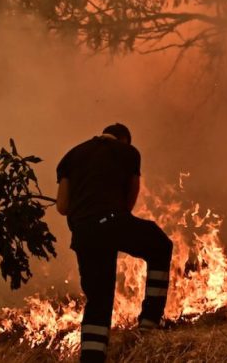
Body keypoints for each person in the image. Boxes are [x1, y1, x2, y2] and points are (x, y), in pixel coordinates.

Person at [55, 123, 173, 363]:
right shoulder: (128, 153)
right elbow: (129, 200)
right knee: (160, 245)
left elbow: (63, 207)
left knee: (98, 298)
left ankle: (91, 357)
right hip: (111, 220)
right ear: (123, 140)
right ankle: (150, 322)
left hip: (83, 232)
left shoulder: (71, 156)